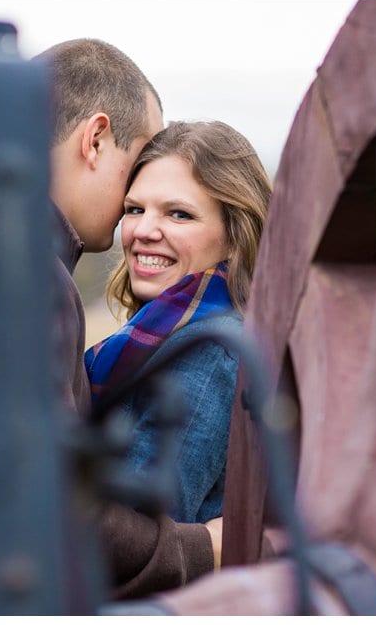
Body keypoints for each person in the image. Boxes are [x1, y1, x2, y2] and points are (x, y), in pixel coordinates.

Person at [35, 39, 223, 600]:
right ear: (94, 139)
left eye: (179, 213)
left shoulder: (209, 350)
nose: (131, 218)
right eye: (136, 196)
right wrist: (205, 548)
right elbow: (57, 507)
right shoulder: (38, 277)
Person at [84, 122, 270, 526]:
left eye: (179, 214)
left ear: (235, 235)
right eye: (135, 209)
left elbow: (142, 530)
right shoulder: (154, 334)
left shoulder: (209, 349)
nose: (143, 231)